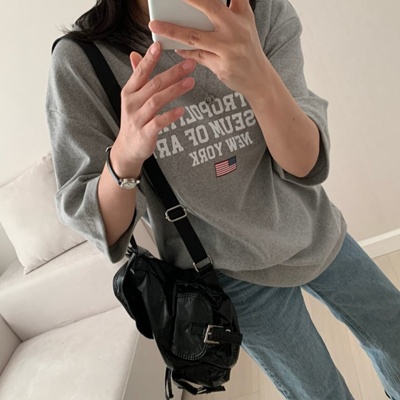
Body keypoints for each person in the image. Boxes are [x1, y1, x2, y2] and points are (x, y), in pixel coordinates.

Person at [46, 0, 400, 398]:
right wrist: (125, 156)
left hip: (309, 226)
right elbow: (100, 225)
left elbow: (304, 164)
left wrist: (259, 81)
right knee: (320, 392)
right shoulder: (84, 62)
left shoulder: (260, 12)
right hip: (229, 270)